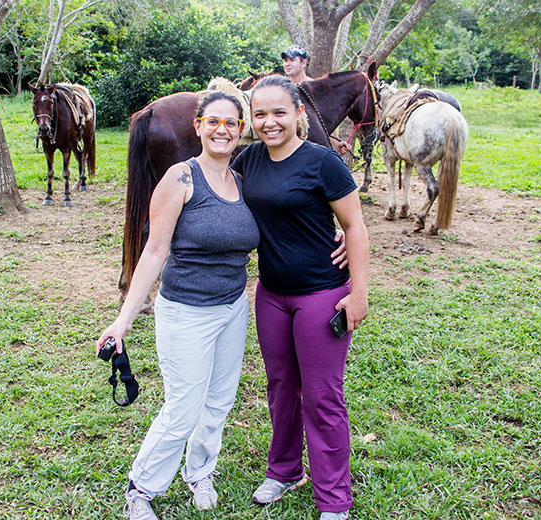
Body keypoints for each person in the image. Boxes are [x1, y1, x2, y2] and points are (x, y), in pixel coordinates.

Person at [95, 90, 260, 519]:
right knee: (184, 407)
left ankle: (200, 471)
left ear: (241, 130)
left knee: (220, 401)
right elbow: (154, 252)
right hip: (186, 310)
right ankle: (141, 488)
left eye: (231, 123)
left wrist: (330, 237)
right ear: (199, 126)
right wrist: (123, 319)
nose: (222, 130)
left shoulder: (243, 182)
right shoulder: (180, 178)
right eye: (213, 122)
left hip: (233, 308)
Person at [231, 75, 369, 520]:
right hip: (271, 294)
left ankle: (334, 499)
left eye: (278, 112)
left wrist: (359, 294)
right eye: (260, 114)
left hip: (321, 295)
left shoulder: (323, 163)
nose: (269, 122)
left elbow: (355, 227)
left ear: (299, 114)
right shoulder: (248, 159)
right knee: (280, 387)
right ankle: (285, 470)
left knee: (322, 395)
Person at [281, 44, 353, 156]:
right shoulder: (280, 87)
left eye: (292, 60)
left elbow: (325, 120)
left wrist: (336, 143)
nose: (287, 64)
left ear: (303, 63)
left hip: (312, 150)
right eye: (285, 61)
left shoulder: (315, 89)